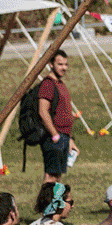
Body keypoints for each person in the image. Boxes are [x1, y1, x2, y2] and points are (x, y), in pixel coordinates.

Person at [36, 49, 76, 185]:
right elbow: (43, 111)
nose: (64, 68)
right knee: (51, 177)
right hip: (54, 137)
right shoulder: (48, 84)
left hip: (64, 136)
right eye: (60, 64)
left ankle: (52, 204)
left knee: (57, 177)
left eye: (66, 64)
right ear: (51, 64)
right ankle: (44, 205)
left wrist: (69, 139)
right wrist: (55, 135)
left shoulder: (60, 84)